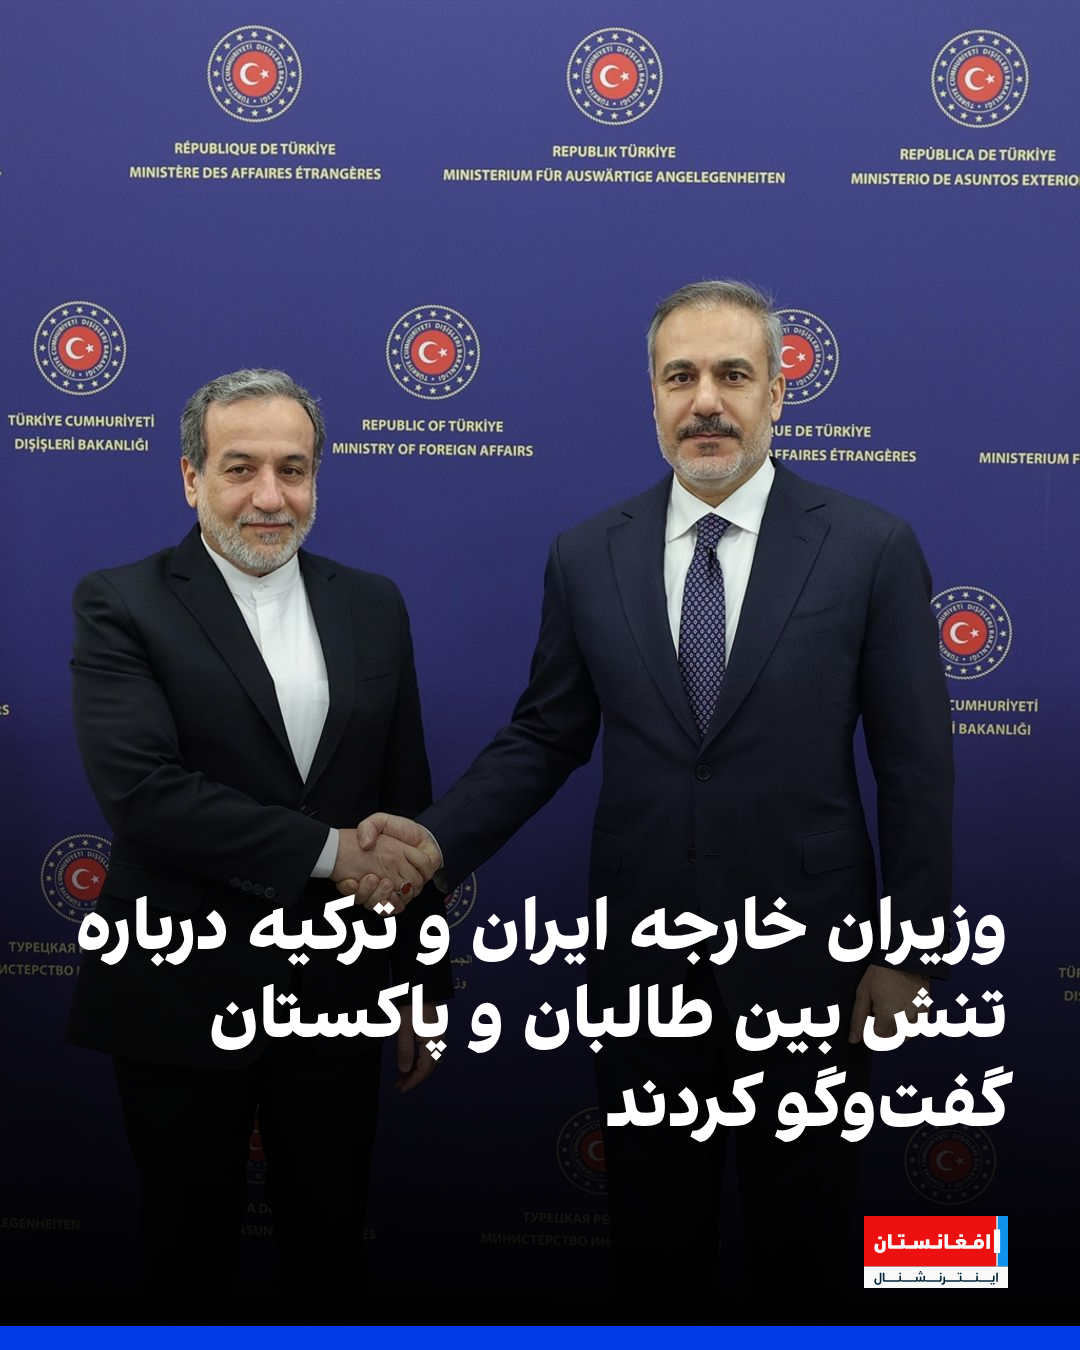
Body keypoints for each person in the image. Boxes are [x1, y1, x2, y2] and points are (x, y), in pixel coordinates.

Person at [351, 281, 953, 1313]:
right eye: (681, 377)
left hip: (813, 974)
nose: (705, 400)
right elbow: (545, 737)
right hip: (644, 975)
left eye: (732, 375)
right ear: (654, 396)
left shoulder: (869, 547)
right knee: (654, 1254)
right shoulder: (588, 554)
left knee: (804, 1252)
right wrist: (430, 845)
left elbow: (915, 767)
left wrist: (909, 954)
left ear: (777, 394)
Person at [67, 368, 448, 1321]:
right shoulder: (122, 602)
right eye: (241, 469)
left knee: (330, 1257)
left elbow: (405, 803)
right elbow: (145, 795)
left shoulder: (375, 603)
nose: (270, 497)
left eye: (294, 469)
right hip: (179, 991)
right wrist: (331, 853)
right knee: (186, 1264)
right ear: (190, 478)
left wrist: (422, 982)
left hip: (336, 995)